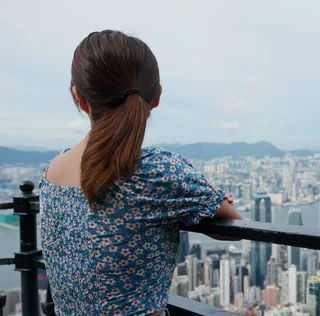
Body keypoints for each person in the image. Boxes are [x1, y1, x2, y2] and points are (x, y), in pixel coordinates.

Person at [40, 30, 242, 315]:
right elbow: (235, 227)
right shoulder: (156, 172)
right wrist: (200, 199)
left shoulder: (50, 174)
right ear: (156, 97)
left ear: (79, 96)